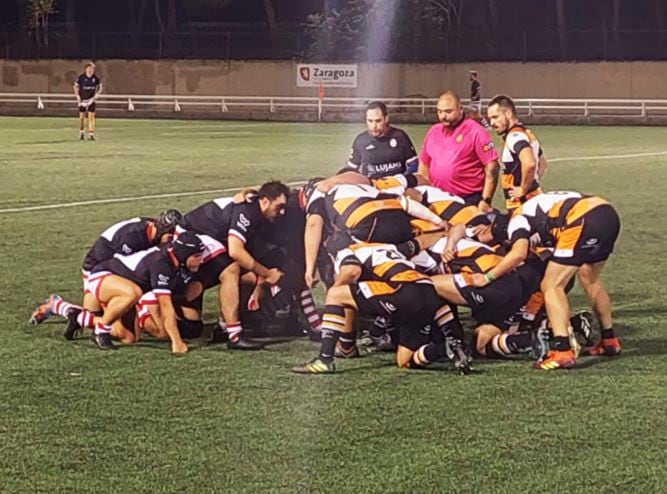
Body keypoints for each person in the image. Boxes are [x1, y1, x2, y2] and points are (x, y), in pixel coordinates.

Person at [474, 192, 622, 370]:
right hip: (607, 213)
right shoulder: (536, 214)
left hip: (581, 218)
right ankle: (609, 340)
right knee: (589, 278)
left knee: (551, 285)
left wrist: (488, 277)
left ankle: (563, 351)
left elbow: (518, 253)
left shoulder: (517, 221)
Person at [292, 239, 470, 374]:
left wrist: (338, 290)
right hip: (429, 289)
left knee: (335, 294)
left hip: (404, 290)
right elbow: (421, 248)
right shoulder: (389, 247)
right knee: (405, 360)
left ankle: (324, 359)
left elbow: (351, 272)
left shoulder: (346, 252)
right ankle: (444, 348)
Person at [30, 210, 183, 335]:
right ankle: (59, 306)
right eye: (170, 237)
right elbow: (124, 269)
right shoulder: (132, 238)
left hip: (111, 270)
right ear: (162, 231)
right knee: (111, 325)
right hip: (98, 270)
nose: (171, 242)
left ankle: (66, 309)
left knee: (113, 319)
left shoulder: (151, 230)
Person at [181, 181, 289, 350]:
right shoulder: (247, 211)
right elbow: (236, 251)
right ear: (266, 201)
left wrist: (261, 279)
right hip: (193, 236)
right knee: (232, 270)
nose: (282, 212)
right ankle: (234, 334)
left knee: (250, 277)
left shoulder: (256, 207)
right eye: (279, 206)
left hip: (212, 239)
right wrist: (267, 274)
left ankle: (225, 326)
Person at [71, 231, 205, 352]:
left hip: (125, 287)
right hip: (102, 276)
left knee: (129, 337)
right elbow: (166, 306)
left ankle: (75, 315)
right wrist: (177, 342)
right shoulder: (161, 264)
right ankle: (100, 332)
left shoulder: (173, 255)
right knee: (134, 292)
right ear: (183, 255)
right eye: (197, 256)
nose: (202, 260)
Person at [418, 91, 499, 211]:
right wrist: (424, 192)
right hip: (437, 198)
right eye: (440, 111)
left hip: (468, 199)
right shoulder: (433, 132)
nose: (443, 116)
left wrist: (485, 200)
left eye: (448, 111)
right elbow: (424, 164)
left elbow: (492, 167)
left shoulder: (475, 131)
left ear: (460, 109)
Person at [486, 94, 548, 212]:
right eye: (490, 118)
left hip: (523, 205)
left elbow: (530, 163)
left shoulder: (514, 136)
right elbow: (543, 164)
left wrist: (523, 189)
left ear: (508, 114)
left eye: (495, 117)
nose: (492, 123)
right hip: (533, 199)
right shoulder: (527, 132)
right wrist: (532, 183)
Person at [346, 101, 419, 178]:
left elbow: (413, 166)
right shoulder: (360, 141)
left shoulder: (400, 137)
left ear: (386, 119)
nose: (374, 126)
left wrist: (402, 180)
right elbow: (351, 170)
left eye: (378, 121)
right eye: (370, 121)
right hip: (371, 187)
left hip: (398, 186)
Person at [73, 62, 102, 141]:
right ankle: (81, 132)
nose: (91, 70)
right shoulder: (81, 77)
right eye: (89, 68)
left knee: (91, 118)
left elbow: (100, 87)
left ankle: (91, 134)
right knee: (82, 118)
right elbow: (75, 86)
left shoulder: (95, 78)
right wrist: (77, 96)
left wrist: (96, 95)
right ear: (86, 69)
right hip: (82, 100)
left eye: (92, 69)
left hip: (91, 100)